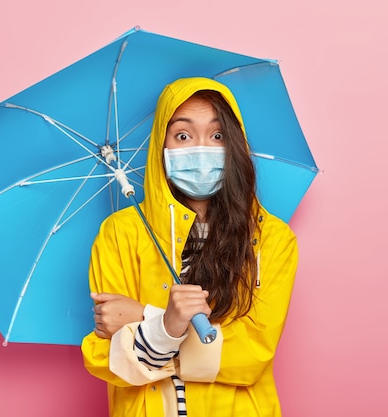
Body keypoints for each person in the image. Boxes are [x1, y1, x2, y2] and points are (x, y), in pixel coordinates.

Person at [81, 77, 298, 417]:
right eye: (183, 135)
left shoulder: (270, 238)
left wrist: (148, 320)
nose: (201, 149)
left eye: (217, 135)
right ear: (161, 147)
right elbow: (104, 357)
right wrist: (175, 332)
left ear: (234, 146)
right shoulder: (120, 234)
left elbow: (253, 355)